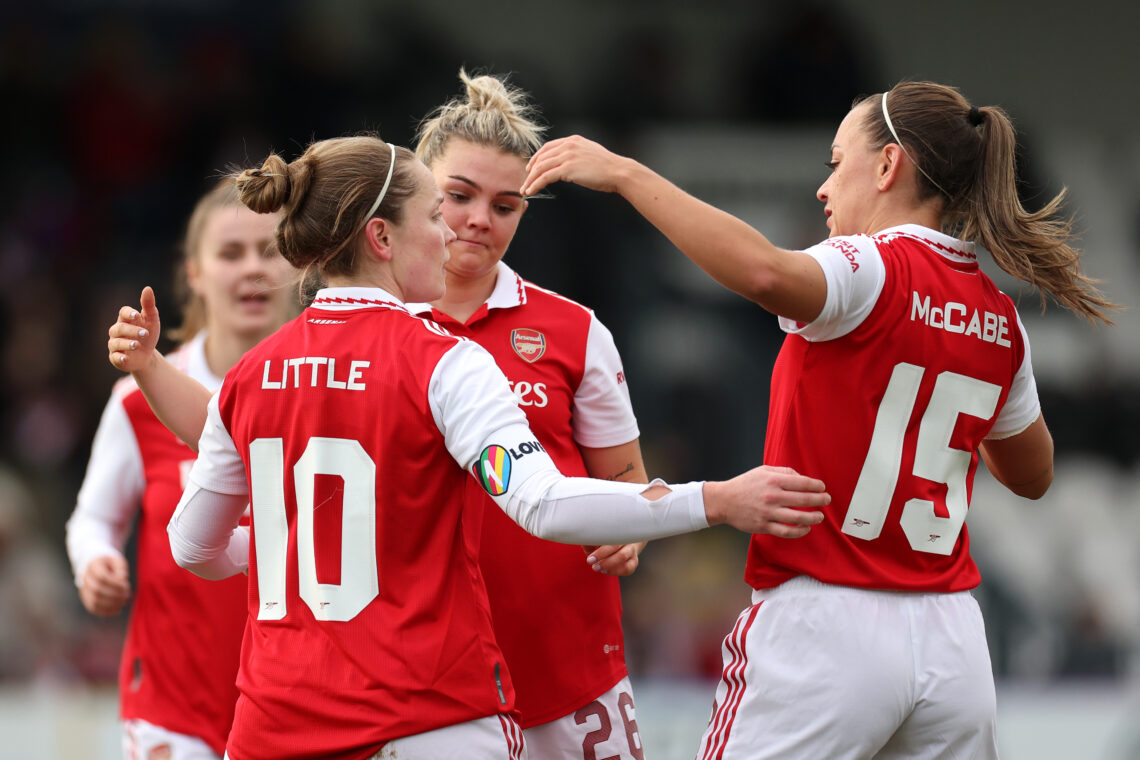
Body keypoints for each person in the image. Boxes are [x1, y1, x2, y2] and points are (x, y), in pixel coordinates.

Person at [107, 134, 831, 760]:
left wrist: (283, 547)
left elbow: (192, 547)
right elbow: (541, 504)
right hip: (431, 716)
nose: (450, 235)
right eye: (435, 214)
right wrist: (718, 500)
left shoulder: (250, 375)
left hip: (275, 723)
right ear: (382, 240)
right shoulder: (443, 362)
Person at [521, 80, 1116, 759]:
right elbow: (1032, 474)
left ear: (889, 166)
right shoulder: (1002, 318)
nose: (824, 187)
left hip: (827, 626)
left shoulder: (868, 266)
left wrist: (627, 175)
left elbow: (766, 275)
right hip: (953, 644)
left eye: (838, 161)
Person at [411, 69, 651, 758]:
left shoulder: (576, 333)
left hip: (568, 674)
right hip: (423, 685)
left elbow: (628, 484)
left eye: (506, 205)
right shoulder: (372, 327)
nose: (480, 219)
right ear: (419, 190)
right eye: (458, 196)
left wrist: (629, 532)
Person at [66, 178, 298, 759]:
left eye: (269, 251)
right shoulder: (137, 398)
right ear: (193, 272)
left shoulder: (328, 388)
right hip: (173, 711)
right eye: (229, 253)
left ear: (302, 263)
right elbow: (92, 519)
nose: (252, 269)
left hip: (299, 705)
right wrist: (96, 563)